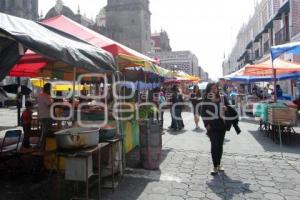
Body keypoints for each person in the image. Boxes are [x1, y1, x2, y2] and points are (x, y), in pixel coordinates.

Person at [201, 82, 229, 175]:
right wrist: (206, 124)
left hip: (222, 125)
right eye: (212, 88)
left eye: (215, 88)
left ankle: (219, 164)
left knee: (220, 145)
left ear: (217, 89)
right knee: (214, 144)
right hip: (211, 126)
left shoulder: (222, 98)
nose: (214, 90)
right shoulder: (206, 99)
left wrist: (226, 109)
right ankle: (215, 166)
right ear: (208, 90)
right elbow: (203, 113)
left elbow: (230, 108)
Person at [37, 83, 53, 148]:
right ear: (48, 89)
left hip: (43, 116)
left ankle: (42, 146)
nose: (51, 90)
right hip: (46, 116)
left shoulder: (41, 95)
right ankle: (43, 146)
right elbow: (49, 105)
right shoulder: (45, 96)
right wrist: (54, 103)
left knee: (44, 132)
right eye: (50, 89)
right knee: (46, 133)